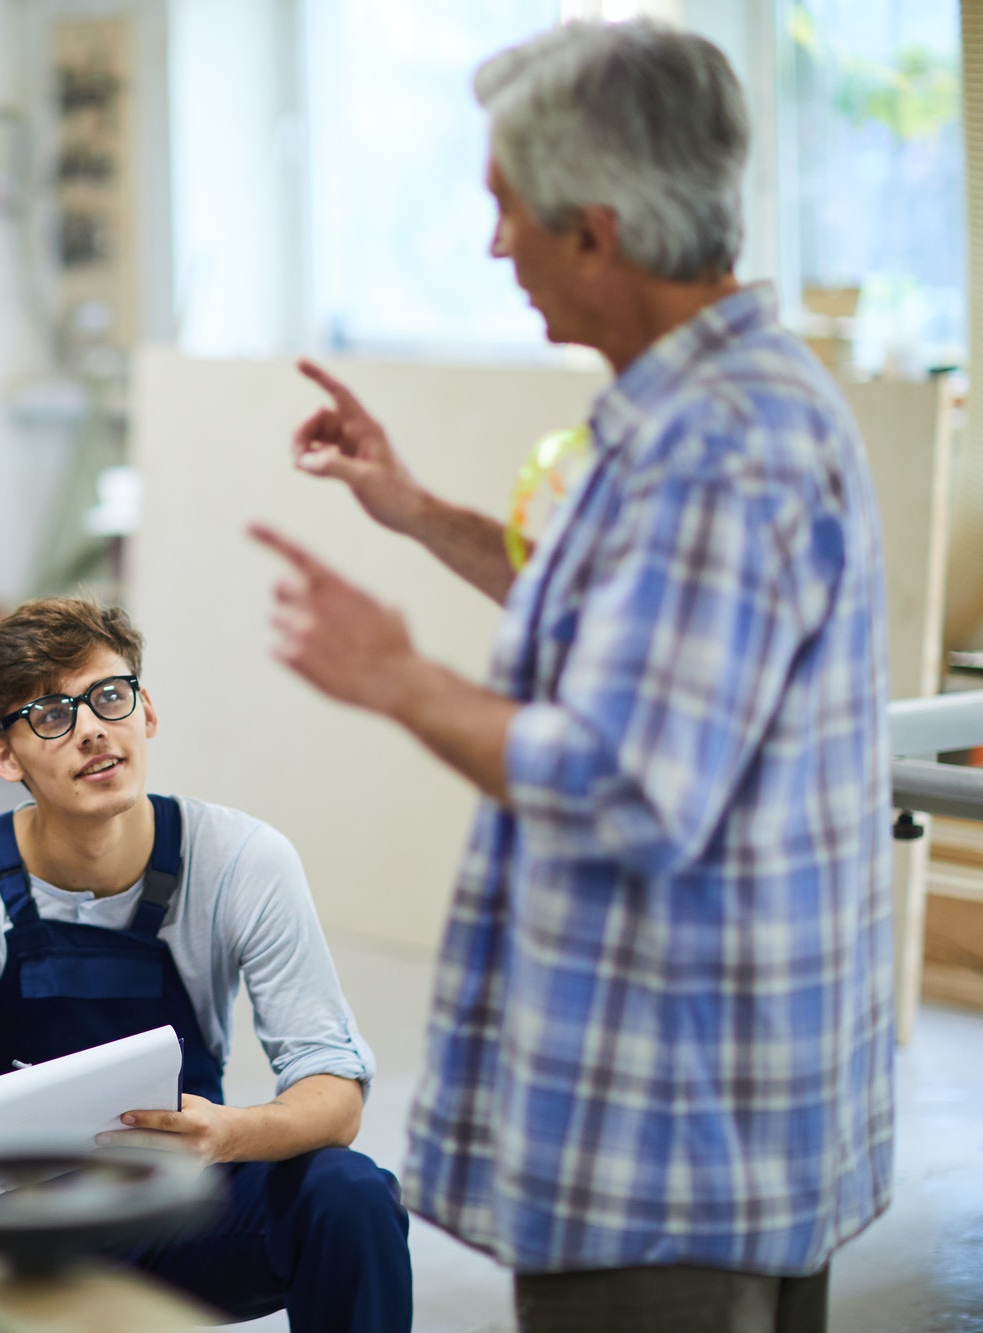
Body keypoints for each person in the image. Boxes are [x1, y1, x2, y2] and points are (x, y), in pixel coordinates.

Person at [251, 21, 891, 1333]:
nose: (495, 248)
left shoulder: (718, 449)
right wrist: (417, 509)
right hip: (721, 1118)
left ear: (594, 232)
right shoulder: (716, 404)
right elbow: (617, 621)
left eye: (505, 211)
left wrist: (400, 678)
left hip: (676, 1142)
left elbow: (628, 785)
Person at [0, 597, 413, 1333]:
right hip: (18, 1223)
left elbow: (335, 1090)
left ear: (147, 711)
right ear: (3, 755)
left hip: (182, 1205)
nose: (93, 729)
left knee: (350, 1195)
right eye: (50, 714)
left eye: (108, 696)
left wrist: (225, 1134)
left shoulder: (241, 859)